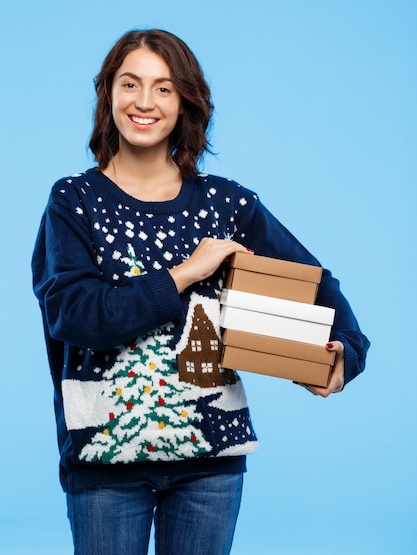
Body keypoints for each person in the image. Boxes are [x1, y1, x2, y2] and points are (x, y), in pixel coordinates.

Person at [32, 29, 370, 555]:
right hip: (104, 464)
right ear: (108, 95)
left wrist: (346, 353)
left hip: (211, 466)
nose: (144, 102)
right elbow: (74, 316)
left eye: (164, 88)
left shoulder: (227, 205)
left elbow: (317, 286)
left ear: (186, 101)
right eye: (130, 84)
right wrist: (186, 273)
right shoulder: (74, 201)